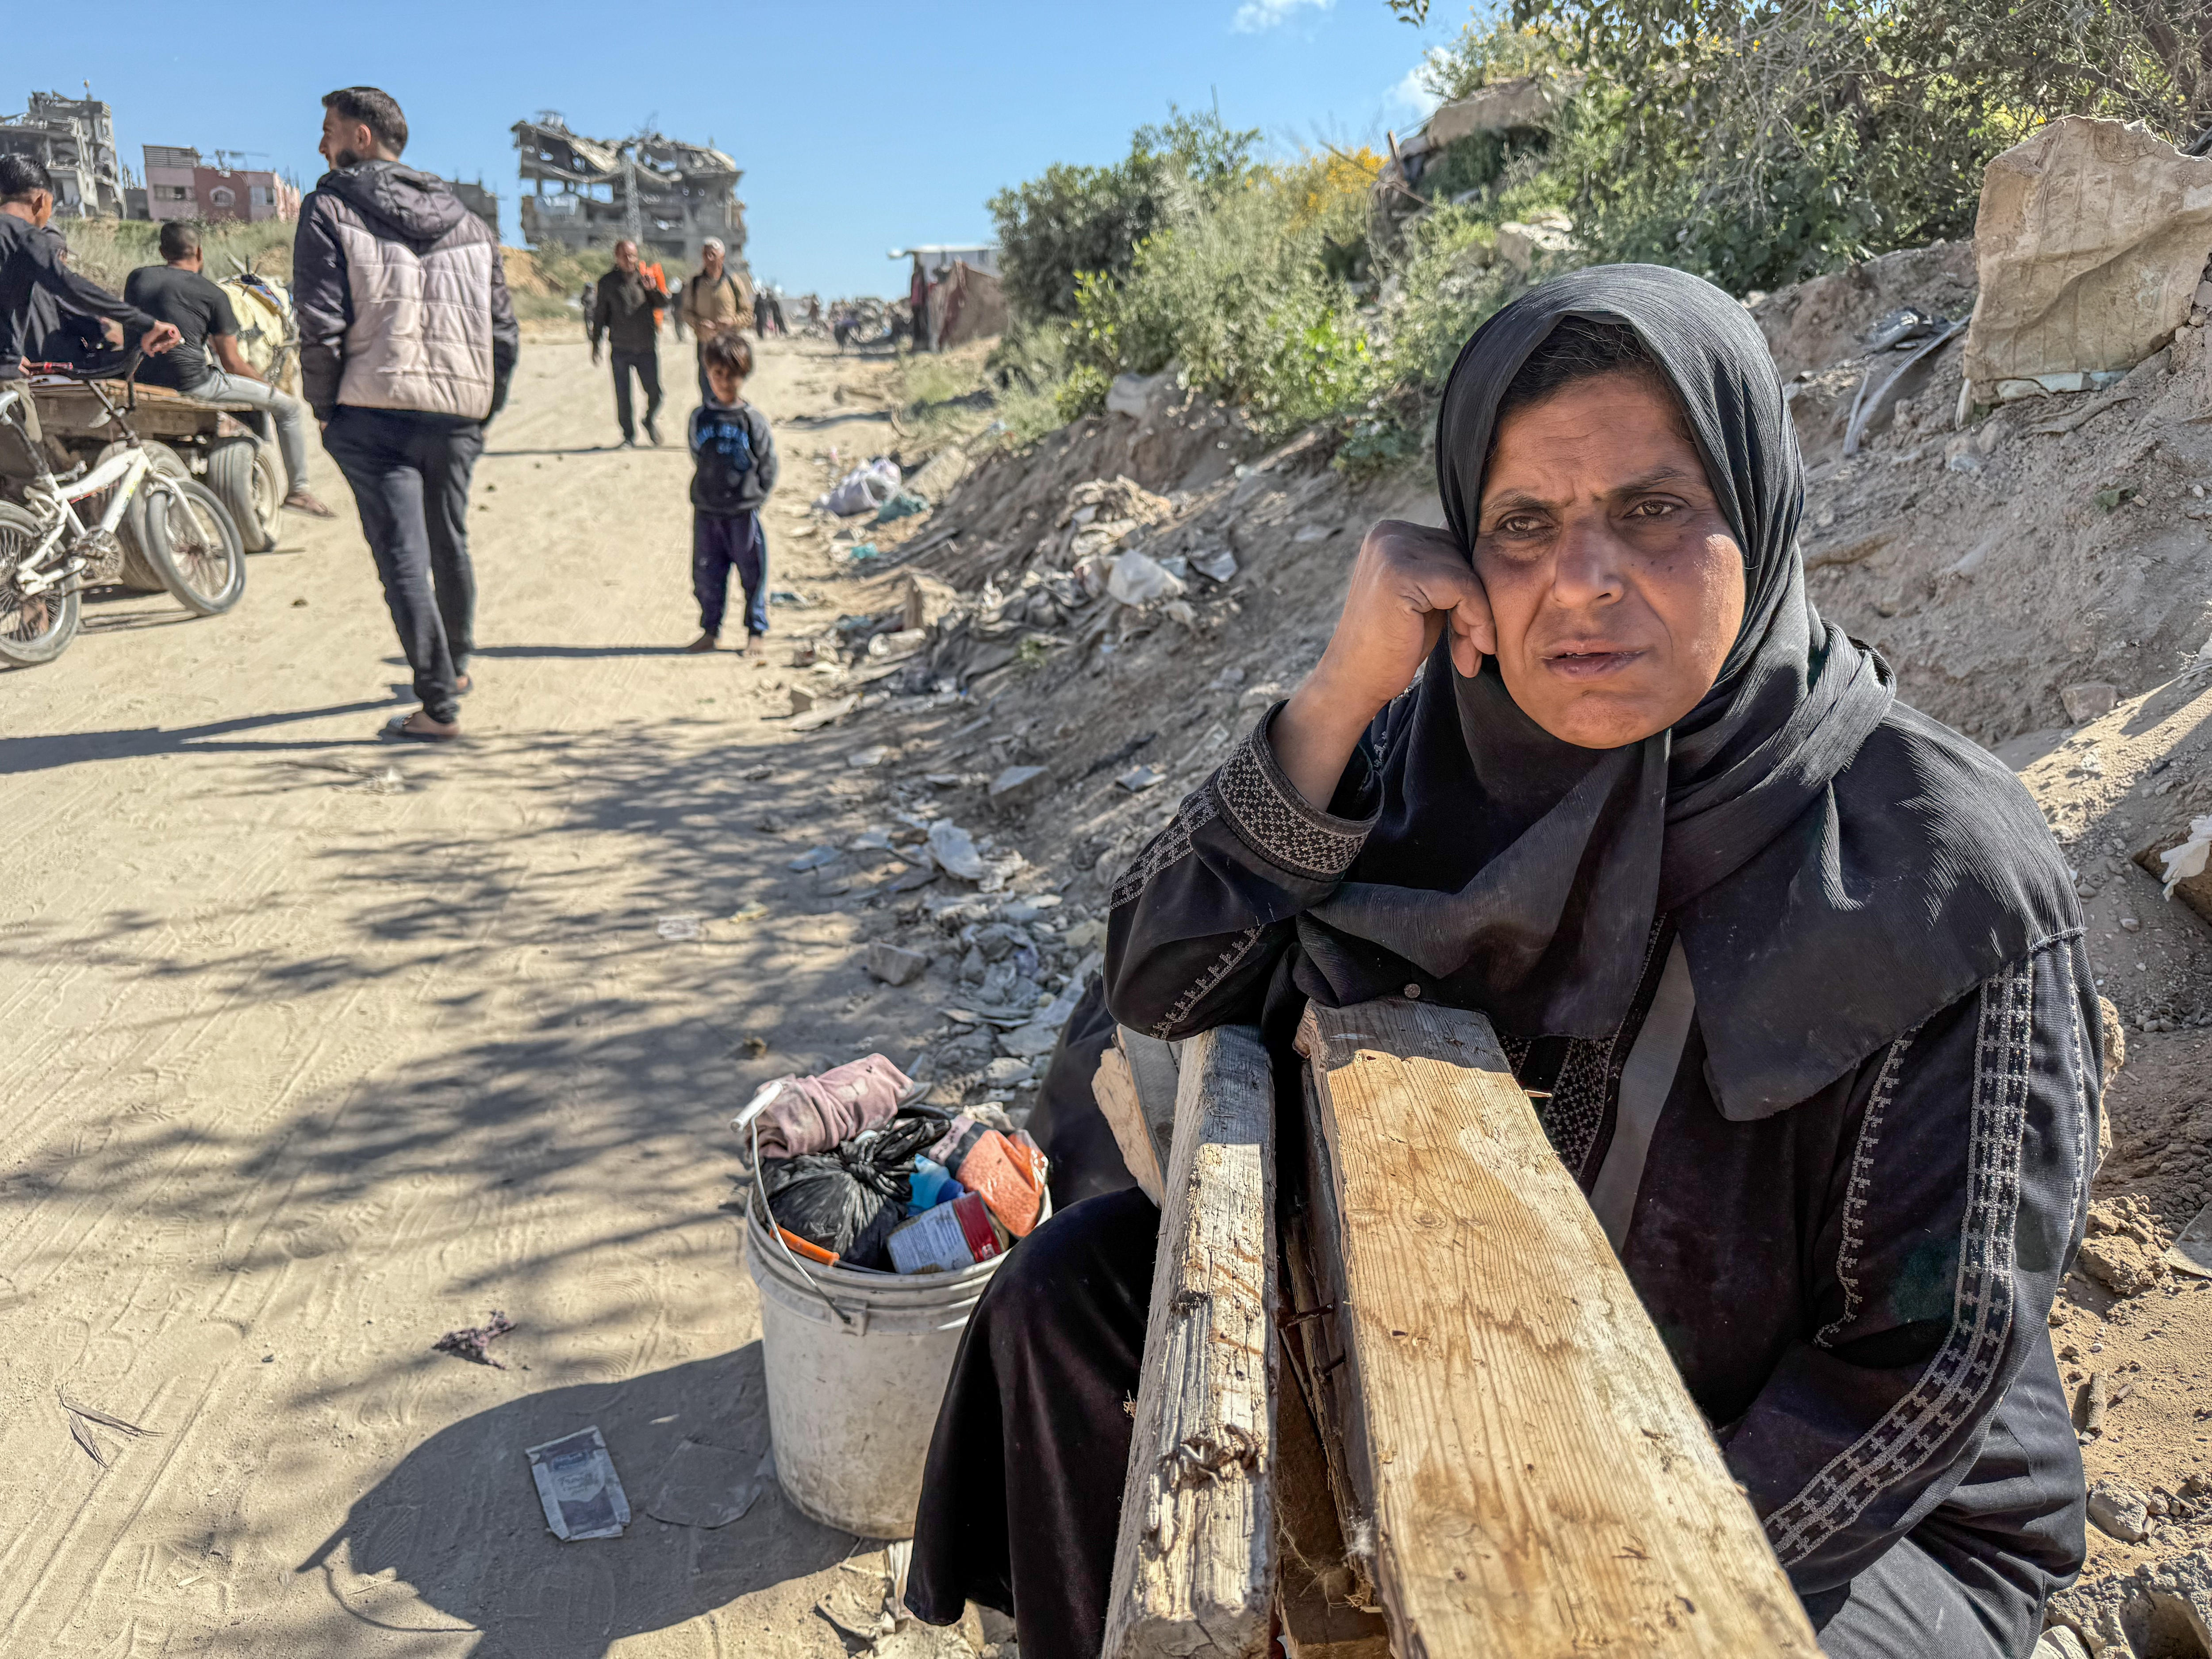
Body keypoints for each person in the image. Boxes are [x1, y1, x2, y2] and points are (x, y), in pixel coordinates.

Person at [906, 266, 2094, 1659]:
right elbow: (1158, 984)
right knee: (1069, 1298)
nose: (1581, 582)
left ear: (1756, 512)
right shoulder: (1433, 755)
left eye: (1651, 510)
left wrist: (1595, 1585)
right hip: (1452, 1370)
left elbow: (1920, 1370)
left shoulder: (1936, 871)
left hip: (1830, 1501)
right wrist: (1340, 691)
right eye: (1521, 525)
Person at [294, 84, 517, 743]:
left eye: (329, 130)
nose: (320, 144)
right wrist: (481, 412)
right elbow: (503, 335)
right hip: (456, 413)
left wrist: (326, 410)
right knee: (448, 540)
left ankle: (438, 707)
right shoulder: (471, 223)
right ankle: (460, 667)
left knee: (402, 558)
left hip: (373, 411)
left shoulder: (328, 206)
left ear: (362, 138)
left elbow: (320, 323)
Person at [127, 219, 334, 518]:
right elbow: (232, 363)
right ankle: (299, 491)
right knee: (288, 408)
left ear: (162, 252)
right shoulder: (212, 294)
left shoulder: (137, 279)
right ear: (199, 253)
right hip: (194, 385)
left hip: (141, 380)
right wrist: (268, 387)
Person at [0, 155, 179, 463]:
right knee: (32, 481)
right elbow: (70, 287)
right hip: (8, 380)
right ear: (42, 201)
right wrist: (146, 323)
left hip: (13, 362)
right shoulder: (24, 235)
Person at [683, 330, 776, 654]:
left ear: (744, 376)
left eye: (732, 375)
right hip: (707, 511)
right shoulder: (700, 417)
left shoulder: (752, 421)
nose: (725, 382)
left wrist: (755, 496)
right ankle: (711, 630)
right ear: (708, 373)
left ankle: (756, 631)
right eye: (718, 374)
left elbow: (767, 463)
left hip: (743, 512)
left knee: (753, 572)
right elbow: (696, 453)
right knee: (707, 573)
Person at [588, 238, 669, 446]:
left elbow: (664, 304)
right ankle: (628, 436)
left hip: (646, 347)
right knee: (623, 395)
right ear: (617, 257)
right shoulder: (607, 282)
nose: (630, 259)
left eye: (633, 255)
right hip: (621, 348)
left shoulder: (645, 279)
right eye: (625, 256)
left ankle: (649, 419)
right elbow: (600, 315)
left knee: (656, 393)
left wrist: (653, 290)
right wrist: (596, 344)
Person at [23, 227, 124, 371]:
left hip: (22, 360)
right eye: (66, 256)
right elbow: (92, 326)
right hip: (56, 364)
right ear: (58, 255)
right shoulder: (54, 285)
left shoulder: (15, 279)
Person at [678, 235, 750, 404]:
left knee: (729, 388)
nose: (709, 258)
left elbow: (747, 314)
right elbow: (686, 313)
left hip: (729, 347)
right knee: (707, 389)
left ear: (722, 257)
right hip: (706, 345)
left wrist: (732, 322)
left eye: (713, 254)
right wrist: (698, 324)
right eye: (705, 254)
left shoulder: (733, 282)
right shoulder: (695, 283)